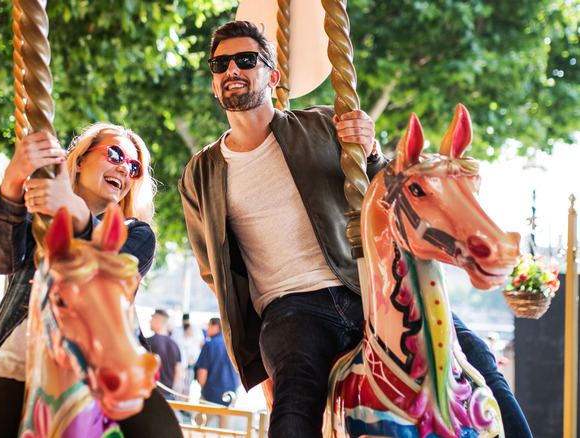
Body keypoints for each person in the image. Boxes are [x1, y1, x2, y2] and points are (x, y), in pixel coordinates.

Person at [178, 20, 532, 437]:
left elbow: (387, 199)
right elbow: (212, 270)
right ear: (213, 80)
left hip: (368, 287)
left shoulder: (325, 124)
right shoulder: (200, 173)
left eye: (245, 60)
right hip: (292, 307)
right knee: (296, 400)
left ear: (272, 76)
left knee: (477, 357)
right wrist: (257, 361)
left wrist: (373, 150)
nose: (231, 71)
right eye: (220, 64)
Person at [0, 123, 182, 438]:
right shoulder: (38, 221)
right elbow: (1, 261)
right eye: (114, 154)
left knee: (161, 429)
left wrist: (74, 211)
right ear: (79, 160)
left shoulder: (135, 233)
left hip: (105, 356)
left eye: (134, 167)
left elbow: (107, 266)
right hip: (26, 350)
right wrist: (13, 181)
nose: (124, 169)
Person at [196, 317, 240, 428]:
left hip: (209, 395)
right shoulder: (234, 345)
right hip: (230, 396)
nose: (206, 329)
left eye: (209, 325)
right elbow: (241, 375)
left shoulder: (209, 345)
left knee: (197, 428)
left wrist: (203, 389)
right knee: (225, 433)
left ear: (216, 327)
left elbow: (202, 372)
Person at [146, 309, 183, 400]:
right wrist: (170, 389)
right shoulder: (174, 345)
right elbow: (178, 371)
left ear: (157, 320)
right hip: (168, 393)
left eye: (152, 318)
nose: (150, 321)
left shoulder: (148, 342)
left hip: (152, 393)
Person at [171, 312, 205, 395]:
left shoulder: (195, 333)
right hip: (180, 364)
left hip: (190, 365)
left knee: (187, 386)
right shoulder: (178, 333)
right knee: (178, 386)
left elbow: (201, 344)